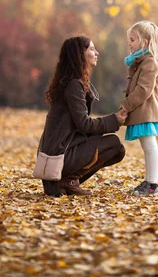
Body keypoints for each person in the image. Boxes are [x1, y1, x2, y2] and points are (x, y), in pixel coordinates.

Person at [38, 36, 127, 197]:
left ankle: (68, 182)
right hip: (59, 157)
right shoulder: (73, 85)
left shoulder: (70, 82)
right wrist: (114, 120)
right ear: (80, 55)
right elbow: (84, 124)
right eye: (92, 49)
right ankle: (66, 181)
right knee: (114, 144)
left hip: (56, 156)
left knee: (117, 149)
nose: (96, 53)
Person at [120, 21, 158, 195]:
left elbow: (143, 90)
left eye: (133, 39)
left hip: (147, 113)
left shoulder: (149, 62)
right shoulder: (140, 62)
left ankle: (152, 185)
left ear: (146, 42)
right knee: (147, 146)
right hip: (143, 112)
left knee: (150, 146)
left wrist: (126, 106)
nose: (129, 43)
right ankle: (149, 181)